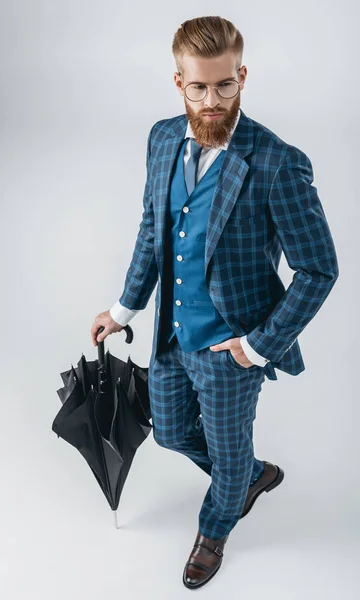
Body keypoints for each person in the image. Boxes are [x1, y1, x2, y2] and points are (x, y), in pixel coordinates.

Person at [91, 16, 339, 590]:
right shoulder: (159, 138)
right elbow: (153, 233)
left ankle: (216, 524)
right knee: (172, 432)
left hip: (233, 345)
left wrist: (257, 346)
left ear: (242, 76)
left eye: (225, 85)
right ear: (179, 82)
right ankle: (250, 476)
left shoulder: (277, 163)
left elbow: (319, 269)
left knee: (227, 454)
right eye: (198, 87)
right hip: (171, 337)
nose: (212, 101)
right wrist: (122, 310)